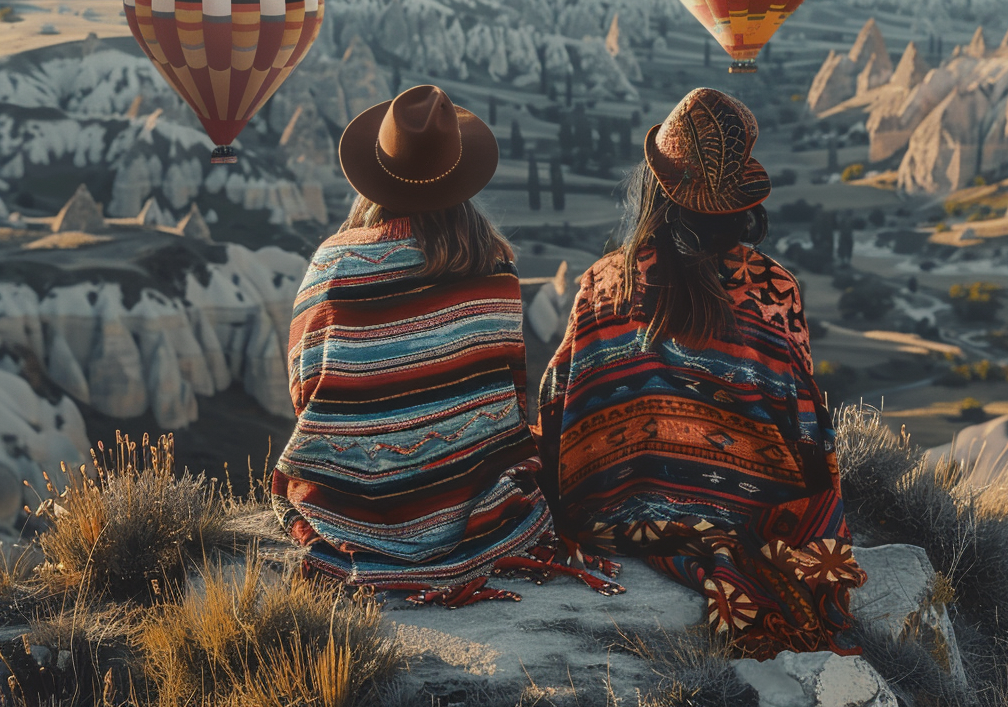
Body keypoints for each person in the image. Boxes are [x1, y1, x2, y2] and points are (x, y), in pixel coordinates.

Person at [536, 88, 866, 658]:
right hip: (754, 519)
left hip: (615, 514)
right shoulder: (773, 289)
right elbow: (808, 424)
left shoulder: (602, 284)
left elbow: (559, 405)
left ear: (656, 187)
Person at [272, 85, 621, 606]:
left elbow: (305, 386)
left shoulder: (333, 264)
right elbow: (505, 390)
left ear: (374, 176)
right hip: (476, 502)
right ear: (460, 178)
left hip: (353, 505)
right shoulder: (495, 267)